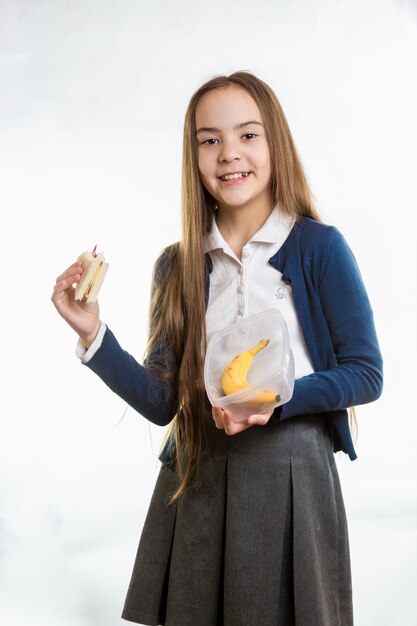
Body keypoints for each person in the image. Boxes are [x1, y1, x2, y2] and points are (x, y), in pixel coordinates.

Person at [51, 71, 383, 626]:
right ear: (194, 154)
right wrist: (92, 334)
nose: (230, 154)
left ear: (275, 141)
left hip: (292, 472)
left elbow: (365, 373)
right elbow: (162, 399)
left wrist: (278, 399)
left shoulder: (319, 248)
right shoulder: (177, 266)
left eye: (248, 135)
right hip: (196, 474)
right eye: (210, 139)